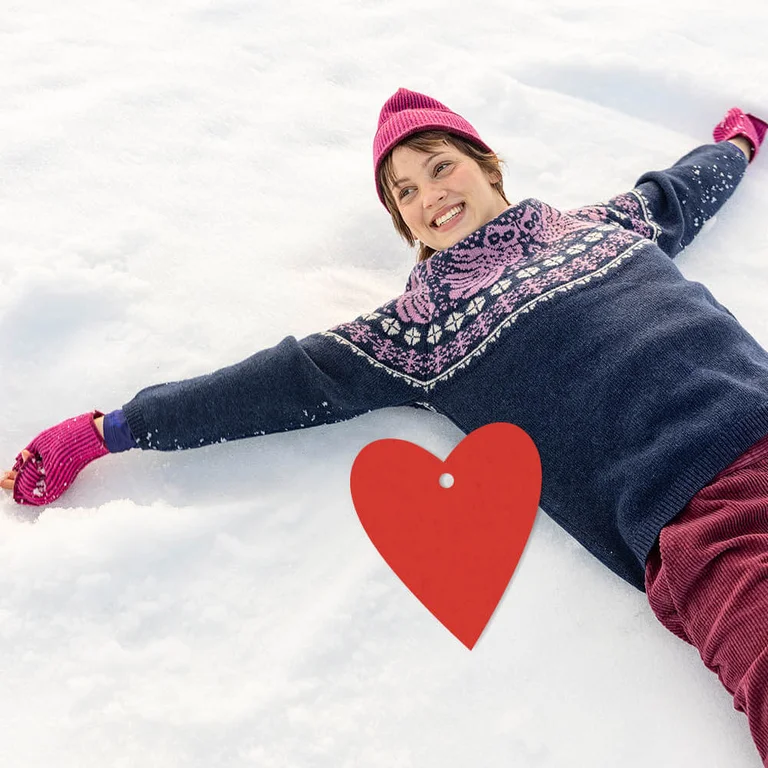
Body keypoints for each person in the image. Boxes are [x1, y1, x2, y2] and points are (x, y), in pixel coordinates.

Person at [3, 87, 768, 762]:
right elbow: (269, 384)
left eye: (440, 166)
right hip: (701, 516)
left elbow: (680, 190)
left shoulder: (606, 225)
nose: (429, 194)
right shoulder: (418, 330)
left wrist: (739, 141)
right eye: (404, 192)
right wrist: (107, 431)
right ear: (401, 220)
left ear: (486, 164)